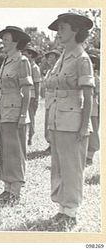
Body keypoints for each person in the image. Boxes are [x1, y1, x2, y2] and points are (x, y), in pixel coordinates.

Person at [47, 13, 94, 227]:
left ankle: (71, 210)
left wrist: (84, 126)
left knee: (72, 167)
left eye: (63, 27)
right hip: (58, 118)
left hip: (73, 121)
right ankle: (62, 208)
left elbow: (89, 95)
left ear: (75, 30)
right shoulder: (63, 57)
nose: (59, 32)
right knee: (59, 165)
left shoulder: (82, 58)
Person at [0, 26, 32, 204]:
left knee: (16, 151)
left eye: (6, 39)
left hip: (16, 111)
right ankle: (7, 188)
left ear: (16, 42)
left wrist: (24, 114)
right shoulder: (6, 61)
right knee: (6, 150)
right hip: (4, 110)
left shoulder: (22, 61)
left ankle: (15, 191)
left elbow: (27, 90)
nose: (3, 42)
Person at [42, 49, 61, 153]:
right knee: (48, 121)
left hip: (55, 98)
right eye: (48, 57)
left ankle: (55, 144)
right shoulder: (49, 71)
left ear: (57, 58)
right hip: (48, 98)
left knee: (54, 121)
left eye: (51, 57)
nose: (49, 59)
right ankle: (50, 142)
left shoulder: (59, 70)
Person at [23, 46, 41, 146]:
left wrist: (37, 98)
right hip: (24, 94)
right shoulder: (25, 66)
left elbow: (37, 84)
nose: (24, 56)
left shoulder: (35, 68)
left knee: (31, 117)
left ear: (31, 55)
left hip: (32, 95)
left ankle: (30, 137)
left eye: (26, 54)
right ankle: (25, 136)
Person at [86, 52, 100, 165]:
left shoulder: (96, 78)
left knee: (93, 130)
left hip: (93, 108)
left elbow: (97, 94)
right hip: (85, 106)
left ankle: (90, 155)